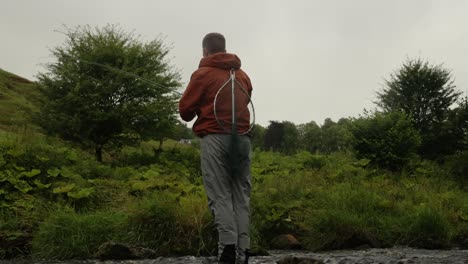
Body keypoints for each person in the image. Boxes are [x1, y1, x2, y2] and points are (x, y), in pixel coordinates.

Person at [179, 33, 253, 264]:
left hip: (215, 139)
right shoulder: (242, 75)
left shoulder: (202, 74)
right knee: (241, 197)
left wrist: (200, 108)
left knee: (220, 196)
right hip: (242, 139)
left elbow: (185, 111)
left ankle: (227, 250)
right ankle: (244, 252)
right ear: (224, 49)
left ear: (205, 51)